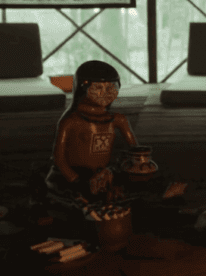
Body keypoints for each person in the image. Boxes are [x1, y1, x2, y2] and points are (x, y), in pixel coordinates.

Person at [45, 60, 138, 206]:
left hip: (103, 174)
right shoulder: (71, 121)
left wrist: (132, 168)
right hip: (75, 176)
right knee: (82, 198)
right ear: (83, 87)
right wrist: (78, 181)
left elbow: (136, 151)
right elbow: (59, 159)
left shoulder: (118, 120)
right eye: (99, 87)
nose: (106, 93)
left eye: (112, 87)